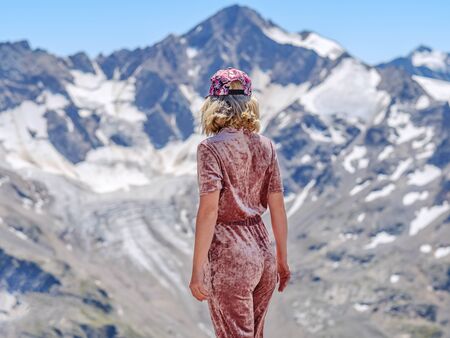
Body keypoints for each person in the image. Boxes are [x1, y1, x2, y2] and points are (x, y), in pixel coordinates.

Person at [189, 67, 291, 338]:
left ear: (213, 105)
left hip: (230, 253)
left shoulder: (210, 149)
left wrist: (197, 268)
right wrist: (281, 259)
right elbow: (277, 206)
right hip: (263, 251)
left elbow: (209, 210)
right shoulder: (266, 146)